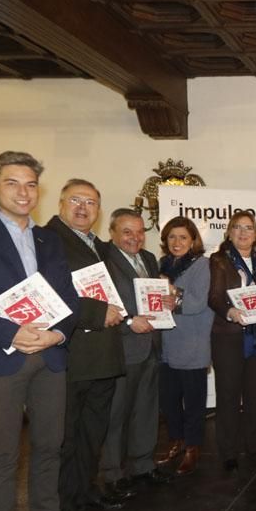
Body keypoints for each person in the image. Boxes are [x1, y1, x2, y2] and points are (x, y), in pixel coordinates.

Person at [0, 151, 83, 511]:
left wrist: (58, 336)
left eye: (30, 184)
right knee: (3, 454)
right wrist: (10, 333)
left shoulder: (49, 239)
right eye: (12, 183)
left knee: (50, 445)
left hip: (49, 357)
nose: (23, 192)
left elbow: (67, 298)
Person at [46, 179, 126, 511]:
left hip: (104, 352)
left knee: (93, 431)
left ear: (99, 210)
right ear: (61, 203)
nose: (83, 207)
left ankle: (84, 492)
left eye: (91, 202)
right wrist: (97, 313)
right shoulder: (48, 240)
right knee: (66, 435)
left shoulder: (98, 245)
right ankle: (61, 504)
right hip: (73, 352)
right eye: (75, 200)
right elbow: (51, 293)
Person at [103, 209, 170, 493]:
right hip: (123, 347)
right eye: (127, 232)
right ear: (113, 233)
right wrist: (129, 322)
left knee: (145, 410)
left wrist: (168, 299)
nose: (135, 237)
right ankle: (112, 474)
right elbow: (101, 303)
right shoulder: (103, 260)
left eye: (140, 231)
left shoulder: (149, 259)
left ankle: (142, 465)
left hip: (151, 346)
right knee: (117, 414)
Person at [208, 211, 256, 470]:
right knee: (228, 394)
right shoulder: (219, 260)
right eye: (237, 227)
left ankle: (255, 444)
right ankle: (228, 450)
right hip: (229, 335)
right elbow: (215, 297)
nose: (243, 232)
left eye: (248, 228)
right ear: (229, 231)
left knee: (254, 394)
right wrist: (230, 311)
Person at [155, 216, 214, 476]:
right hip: (166, 344)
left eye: (182, 237)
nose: (177, 242)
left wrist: (173, 295)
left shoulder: (202, 265)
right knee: (168, 401)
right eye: (171, 237)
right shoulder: (161, 265)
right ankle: (176, 441)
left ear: (193, 241)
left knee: (193, 402)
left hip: (192, 343)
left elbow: (199, 302)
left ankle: (193, 447)